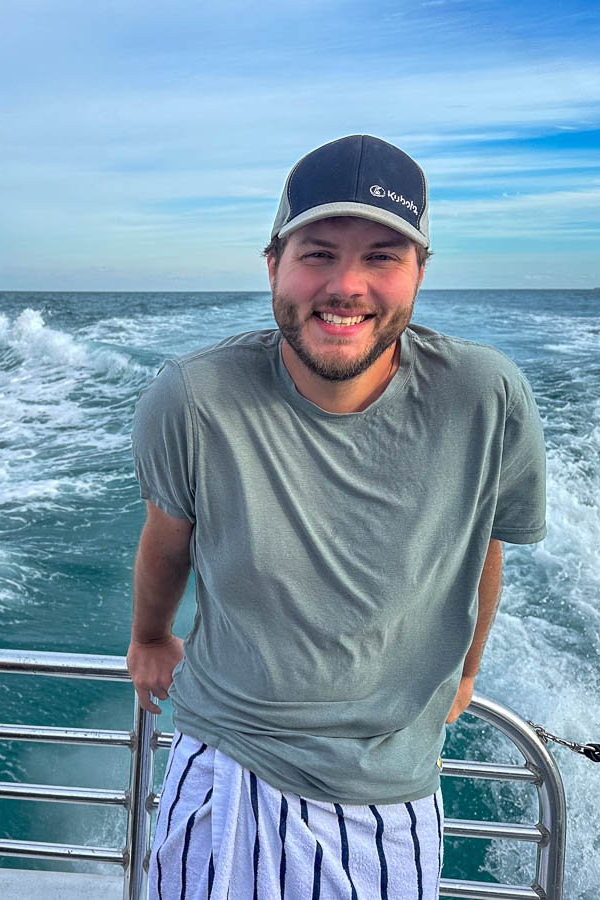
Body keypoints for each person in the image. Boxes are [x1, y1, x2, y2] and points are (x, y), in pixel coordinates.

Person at [127, 134, 547, 900]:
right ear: (273, 266)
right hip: (228, 759)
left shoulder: (486, 398)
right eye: (318, 253)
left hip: (392, 792)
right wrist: (149, 637)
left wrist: (471, 669)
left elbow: (484, 545)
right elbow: (168, 539)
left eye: (382, 257)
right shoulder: (191, 399)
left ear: (420, 271)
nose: (346, 285)